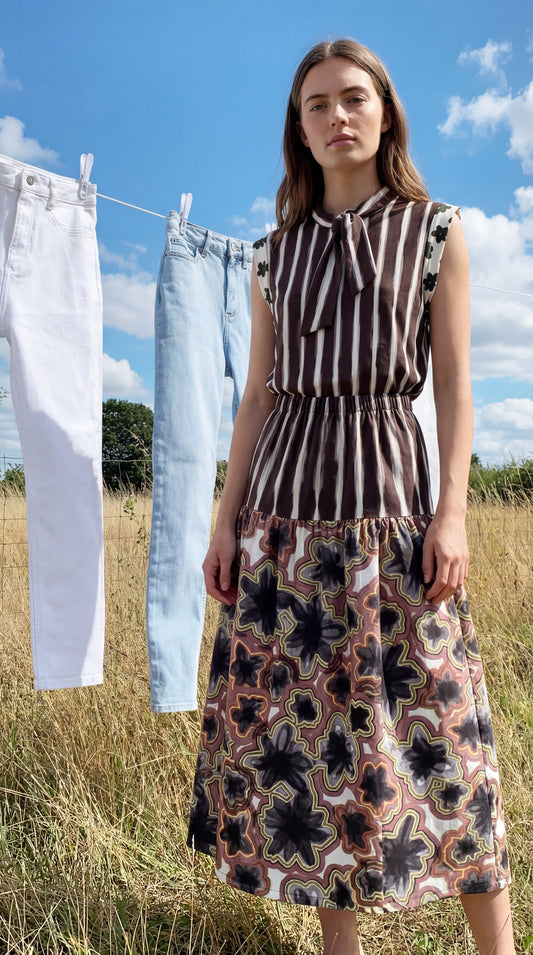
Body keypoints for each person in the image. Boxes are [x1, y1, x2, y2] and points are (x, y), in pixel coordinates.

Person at [187, 39, 514, 955]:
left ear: (384, 113)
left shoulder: (434, 230)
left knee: (442, 743)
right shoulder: (269, 255)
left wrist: (451, 511)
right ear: (297, 128)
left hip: (393, 514)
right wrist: (226, 519)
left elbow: (452, 383)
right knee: (311, 744)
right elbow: (257, 394)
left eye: (353, 99)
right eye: (316, 104)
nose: (336, 116)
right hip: (281, 526)